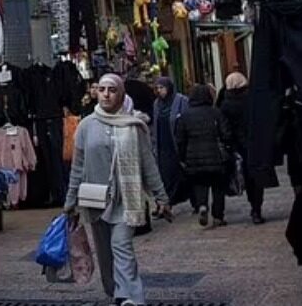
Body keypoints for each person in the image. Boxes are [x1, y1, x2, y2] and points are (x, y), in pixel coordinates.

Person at [64, 74, 170, 306]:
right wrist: (70, 202)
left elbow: (148, 163)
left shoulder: (134, 125)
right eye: (101, 89)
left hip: (126, 199)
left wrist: (161, 197)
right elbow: (78, 167)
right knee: (105, 252)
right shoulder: (85, 126)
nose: (106, 94)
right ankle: (116, 291)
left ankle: (131, 296)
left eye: (111, 90)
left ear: (120, 94)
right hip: (95, 200)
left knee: (121, 247)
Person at [176, 85, 233, 228]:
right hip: (215, 156)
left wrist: (182, 158)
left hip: (193, 157)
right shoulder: (215, 113)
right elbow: (226, 133)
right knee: (218, 187)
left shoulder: (185, 116)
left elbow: (180, 140)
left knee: (199, 183)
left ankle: (202, 205)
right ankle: (218, 216)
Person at [219, 72, 268, 224]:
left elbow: (224, 127)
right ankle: (256, 208)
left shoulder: (225, 103)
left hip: (237, 146)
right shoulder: (252, 98)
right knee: (256, 176)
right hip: (255, 142)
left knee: (245, 175)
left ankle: (253, 204)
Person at [151, 77, 189, 208]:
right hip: (163, 144)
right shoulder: (157, 104)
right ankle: (167, 204)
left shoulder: (181, 101)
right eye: (157, 88)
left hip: (177, 142)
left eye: (162, 88)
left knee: (181, 172)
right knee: (165, 174)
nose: (159, 91)